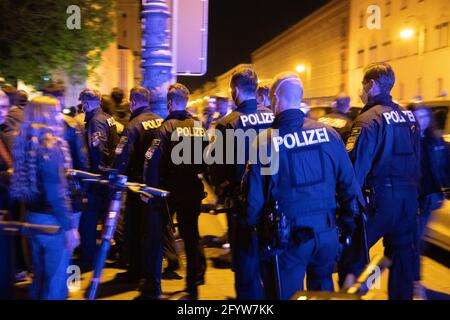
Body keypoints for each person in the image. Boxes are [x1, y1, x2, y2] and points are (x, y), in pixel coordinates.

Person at [243, 72, 361, 300]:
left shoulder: (266, 142)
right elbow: (349, 186)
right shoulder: (330, 135)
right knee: (323, 292)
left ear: (276, 97)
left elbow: (254, 200)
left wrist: (253, 235)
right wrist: (346, 225)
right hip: (327, 234)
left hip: (288, 239)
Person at [342, 62, 420, 300]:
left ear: (372, 85)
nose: (361, 91)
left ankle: (358, 293)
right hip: (407, 202)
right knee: (401, 257)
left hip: (379, 200)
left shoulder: (368, 120)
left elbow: (355, 169)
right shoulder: (409, 117)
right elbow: (418, 159)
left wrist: (346, 207)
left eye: (363, 85)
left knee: (352, 254)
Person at [208, 66, 274, 300]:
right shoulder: (274, 116)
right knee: (272, 259)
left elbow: (216, 169)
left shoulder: (228, 124)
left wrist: (220, 189)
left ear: (235, 90)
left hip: (242, 202)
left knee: (246, 265)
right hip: (274, 200)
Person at [9, 96, 80, 300]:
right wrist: (69, 227)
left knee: (39, 278)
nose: (60, 116)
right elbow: (56, 194)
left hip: (33, 217)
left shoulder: (25, 142)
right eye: (56, 111)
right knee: (55, 283)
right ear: (48, 116)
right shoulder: (50, 146)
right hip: (53, 222)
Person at [143, 83, 208, 300]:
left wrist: (148, 189)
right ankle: (193, 283)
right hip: (192, 189)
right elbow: (209, 159)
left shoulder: (165, 127)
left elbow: (152, 160)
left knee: (159, 235)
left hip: (168, 190)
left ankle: (154, 285)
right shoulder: (198, 125)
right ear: (186, 101)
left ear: (170, 103)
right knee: (191, 236)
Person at [112, 86, 163, 283]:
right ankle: (148, 271)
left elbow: (122, 155)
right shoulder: (159, 120)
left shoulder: (133, 125)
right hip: (155, 183)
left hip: (137, 184)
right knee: (150, 229)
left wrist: (115, 174)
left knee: (134, 228)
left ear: (133, 103)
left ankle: (135, 270)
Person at [409, 104, 450, 299]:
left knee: (417, 241)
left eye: (424, 116)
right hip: (411, 200)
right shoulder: (408, 140)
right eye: (417, 116)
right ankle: (413, 281)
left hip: (429, 199)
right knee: (413, 242)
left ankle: (414, 281)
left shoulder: (436, 141)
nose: (421, 120)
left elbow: (445, 167)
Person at [78, 89, 119, 271]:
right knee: (108, 219)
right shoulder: (107, 117)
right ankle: (115, 253)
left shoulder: (95, 121)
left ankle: (88, 260)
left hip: (97, 181)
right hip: (108, 178)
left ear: (86, 103)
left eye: (82, 103)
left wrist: (98, 173)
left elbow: (98, 150)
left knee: (89, 219)